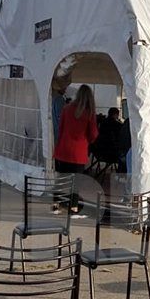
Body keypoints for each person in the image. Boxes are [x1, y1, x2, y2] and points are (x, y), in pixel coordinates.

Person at [52, 84, 99, 216]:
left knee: (60, 179)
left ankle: (56, 205)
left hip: (63, 149)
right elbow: (93, 134)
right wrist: (88, 141)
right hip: (78, 152)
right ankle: (73, 208)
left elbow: (60, 128)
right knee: (76, 182)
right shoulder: (89, 112)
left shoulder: (66, 109)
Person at [92, 106, 132, 173]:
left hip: (99, 152)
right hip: (111, 153)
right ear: (116, 114)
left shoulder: (102, 123)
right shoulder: (117, 125)